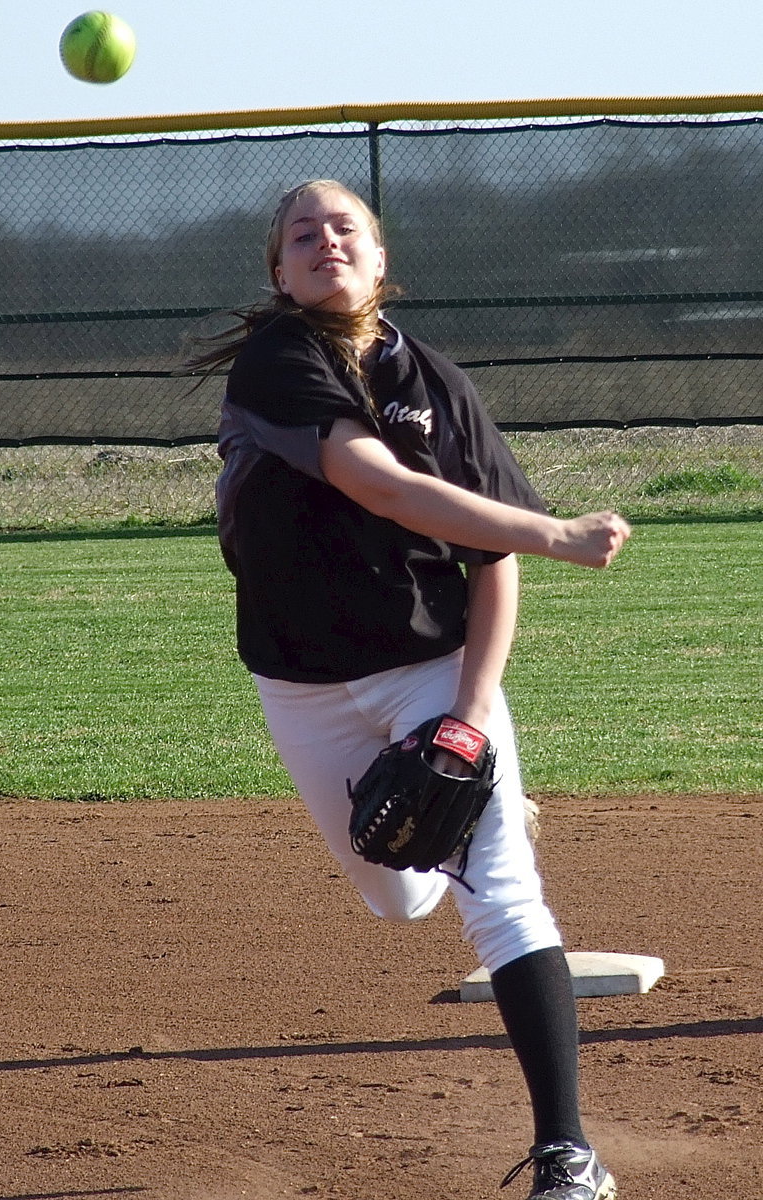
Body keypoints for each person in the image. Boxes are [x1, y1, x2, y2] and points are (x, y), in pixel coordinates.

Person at [189, 178, 628, 1200]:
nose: (325, 239)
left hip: (428, 666)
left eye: (345, 226)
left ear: (381, 260)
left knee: (504, 895)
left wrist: (471, 714)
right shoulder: (277, 362)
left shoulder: (439, 383)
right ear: (281, 272)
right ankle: (462, 833)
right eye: (303, 233)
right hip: (302, 685)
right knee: (395, 896)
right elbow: (377, 483)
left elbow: (491, 562)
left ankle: (568, 1155)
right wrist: (558, 533)